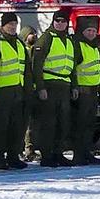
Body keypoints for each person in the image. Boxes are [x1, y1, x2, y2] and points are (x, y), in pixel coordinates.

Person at [31, 11, 77, 166]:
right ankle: (47, 155)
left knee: (63, 123)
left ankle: (58, 153)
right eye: (57, 21)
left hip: (64, 85)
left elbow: (73, 65)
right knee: (49, 123)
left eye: (63, 21)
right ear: (53, 22)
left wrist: (74, 85)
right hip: (49, 84)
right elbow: (36, 64)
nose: (60, 23)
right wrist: (40, 87)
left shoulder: (69, 40)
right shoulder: (47, 38)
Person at [0, 13, 30, 169]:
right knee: (0, 127)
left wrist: (27, 89)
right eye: (9, 24)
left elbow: (26, 68)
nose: (12, 27)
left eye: (14, 24)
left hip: (18, 90)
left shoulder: (19, 43)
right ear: (3, 25)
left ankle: (13, 156)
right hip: (2, 91)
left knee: (16, 126)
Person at [71, 21, 100, 165]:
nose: (91, 33)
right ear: (82, 32)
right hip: (82, 89)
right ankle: (79, 154)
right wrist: (74, 86)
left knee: (90, 124)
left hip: (93, 90)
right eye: (88, 31)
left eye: (93, 31)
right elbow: (73, 67)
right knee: (81, 124)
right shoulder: (78, 45)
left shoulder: (94, 47)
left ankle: (87, 152)